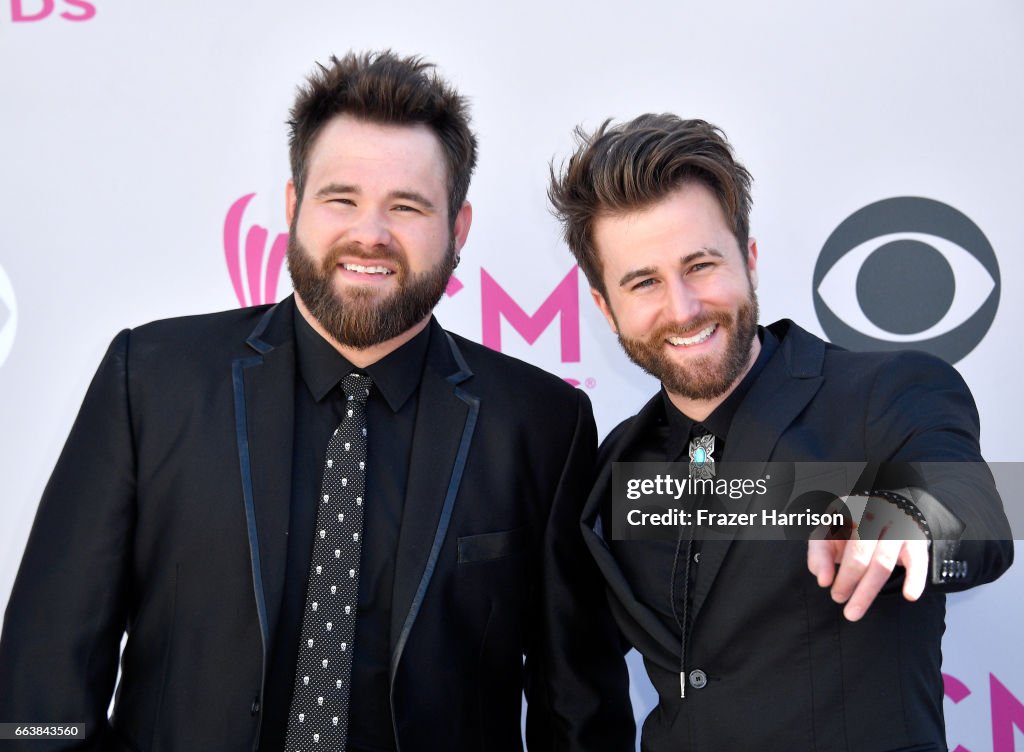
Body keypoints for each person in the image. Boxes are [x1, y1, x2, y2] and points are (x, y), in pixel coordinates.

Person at [0, 51, 633, 752]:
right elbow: (42, 680)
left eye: (408, 205)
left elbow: (578, 710)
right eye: (343, 198)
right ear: (294, 206)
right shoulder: (150, 381)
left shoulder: (542, 424)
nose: (371, 233)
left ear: (458, 229)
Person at [548, 114, 1013, 751]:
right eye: (644, 282)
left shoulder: (885, 393)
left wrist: (903, 516)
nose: (682, 307)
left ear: (751, 260)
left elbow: (979, 513)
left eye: (701, 265)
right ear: (605, 307)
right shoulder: (615, 463)